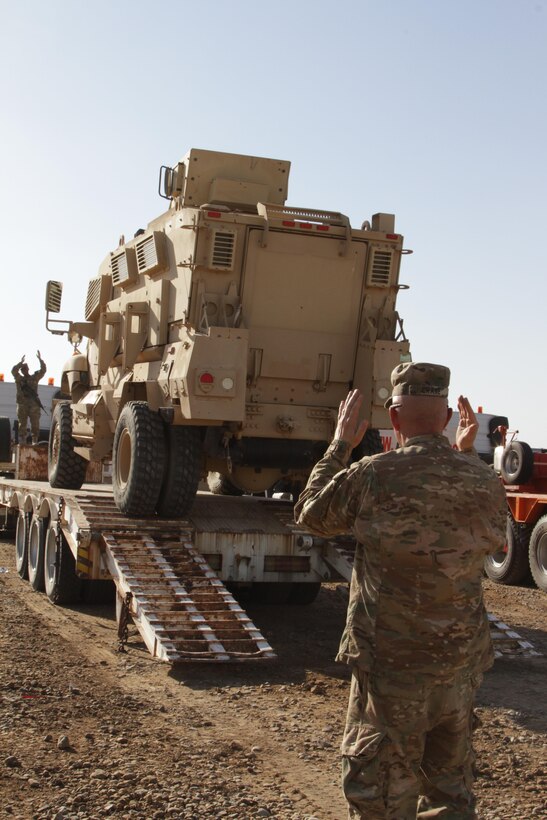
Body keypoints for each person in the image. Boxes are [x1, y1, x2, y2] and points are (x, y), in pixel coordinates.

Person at [294, 362, 507, 819]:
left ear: (393, 418)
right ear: (447, 416)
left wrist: (339, 446)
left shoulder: (374, 474)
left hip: (392, 668)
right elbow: (495, 537)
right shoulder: (484, 480)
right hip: (458, 667)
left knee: (383, 795)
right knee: (450, 792)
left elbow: (311, 514)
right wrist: (465, 456)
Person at [11, 350, 47, 445]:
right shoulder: (19, 379)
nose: (24, 370)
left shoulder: (34, 378)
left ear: (28, 369)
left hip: (34, 405)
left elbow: (43, 370)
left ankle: (34, 440)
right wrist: (20, 363)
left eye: (25, 369)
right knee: (22, 424)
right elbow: (13, 370)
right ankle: (23, 440)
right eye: (22, 369)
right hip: (22, 405)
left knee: (35, 424)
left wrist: (40, 360)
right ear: (21, 371)